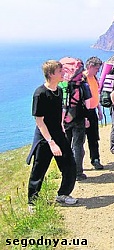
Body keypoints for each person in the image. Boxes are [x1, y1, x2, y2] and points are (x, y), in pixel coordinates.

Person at [26, 60, 77, 208]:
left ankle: (63, 194)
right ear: (50, 74)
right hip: (44, 138)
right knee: (39, 169)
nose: (63, 73)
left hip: (58, 133)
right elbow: (40, 122)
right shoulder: (40, 94)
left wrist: (61, 126)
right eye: (60, 71)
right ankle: (33, 202)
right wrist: (51, 142)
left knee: (69, 165)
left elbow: (58, 112)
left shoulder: (59, 90)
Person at [60, 62, 92, 181]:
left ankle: (65, 170)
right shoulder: (83, 85)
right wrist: (86, 118)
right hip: (78, 118)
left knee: (66, 144)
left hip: (64, 119)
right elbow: (88, 105)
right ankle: (78, 173)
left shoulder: (62, 84)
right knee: (78, 146)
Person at [83, 56, 104, 170]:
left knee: (94, 137)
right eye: (96, 69)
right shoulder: (83, 79)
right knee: (80, 139)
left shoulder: (94, 78)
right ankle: (77, 164)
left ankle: (95, 159)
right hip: (84, 113)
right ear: (90, 67)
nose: (98, 71)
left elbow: (96, 95)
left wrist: (99, 110)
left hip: (93, 111)